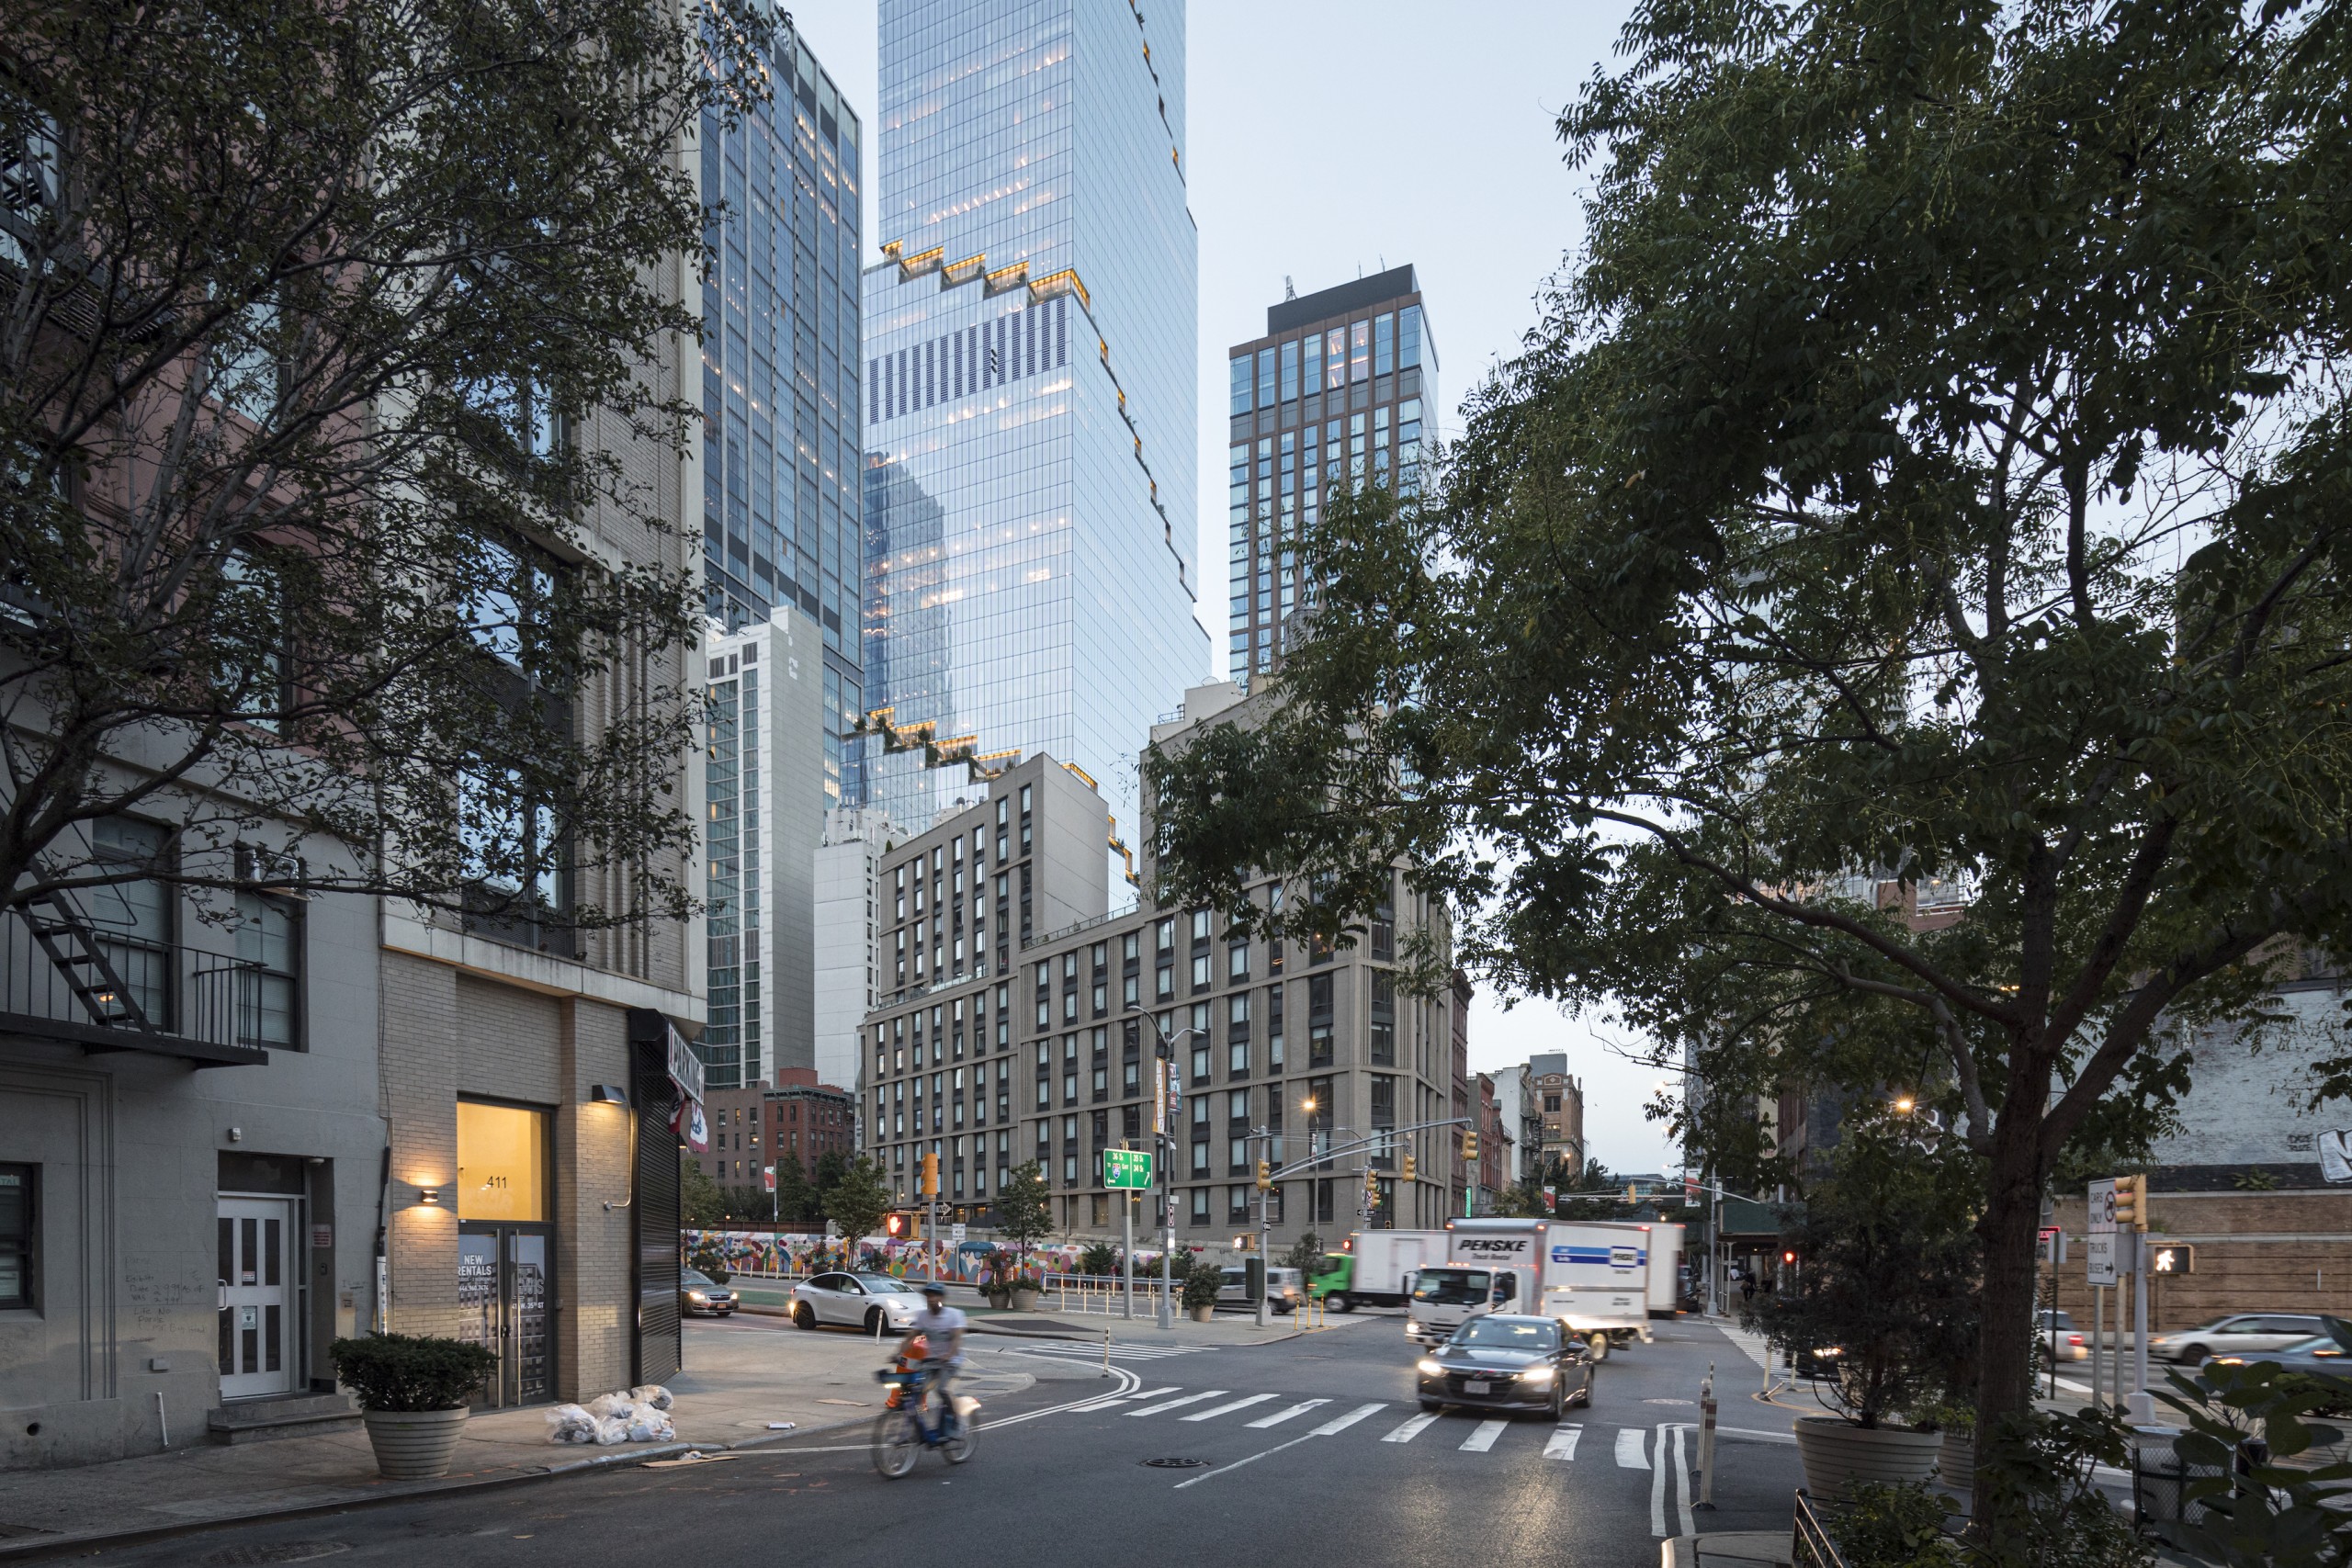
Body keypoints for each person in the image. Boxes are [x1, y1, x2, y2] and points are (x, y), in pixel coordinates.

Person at [903, 1281, 968, 1433]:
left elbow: (957, 1339)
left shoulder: (954, 1315)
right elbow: (910, 1337)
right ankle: (920, 1426)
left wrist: (949, 1355)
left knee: (942, 1390)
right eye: (929, 1296)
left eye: (935, 1295)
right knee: (917, 1390)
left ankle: (955, 1420)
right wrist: (896, 1353)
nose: (931, 1299)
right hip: (930, 1361)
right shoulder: (923, 1316)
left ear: (942, 1298)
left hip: (950, 1361)